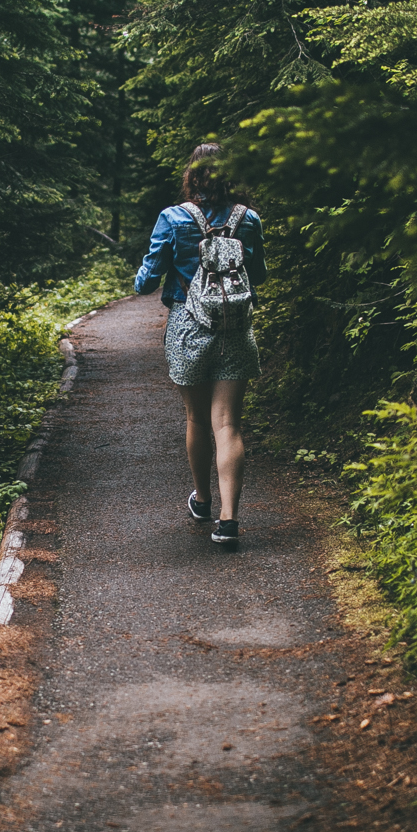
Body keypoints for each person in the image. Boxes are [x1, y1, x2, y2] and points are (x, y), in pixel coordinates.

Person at [134, 143, 267, 546]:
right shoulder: (249, 219)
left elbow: (148, 279)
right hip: (236, 329)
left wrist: (143, 277)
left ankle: (203, 499)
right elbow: (257, 274)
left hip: (189, 326)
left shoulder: (173, 218)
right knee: (228, 423)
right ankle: (228, 521)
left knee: (196, 418)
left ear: (191, 175)